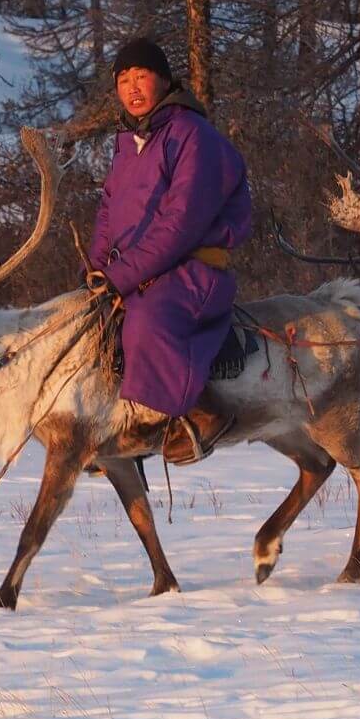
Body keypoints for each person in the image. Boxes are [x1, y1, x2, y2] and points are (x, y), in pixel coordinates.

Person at [84, 39, 252, 465]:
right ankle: (105, 420)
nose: (132, 88)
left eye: (141, 76)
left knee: (147, 320)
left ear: (164, 80)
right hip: (146, 272)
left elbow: (181, 224)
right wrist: (97, 271)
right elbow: (108, 210)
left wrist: (122, 278)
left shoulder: (193, 136)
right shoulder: (130, 143)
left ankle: (194, 417)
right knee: (89, 328)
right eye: (123, 80)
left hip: (194, 272)